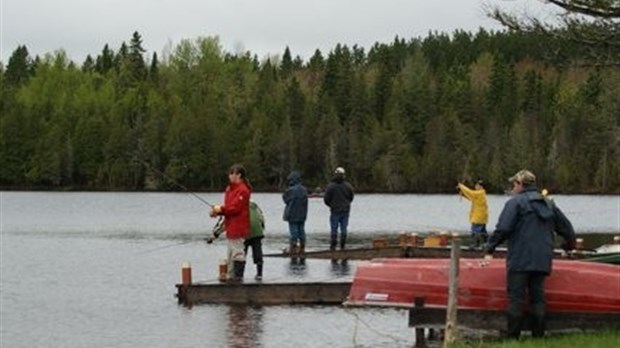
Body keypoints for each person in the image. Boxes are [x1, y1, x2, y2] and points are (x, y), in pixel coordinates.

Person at [484, 169, 576, 339]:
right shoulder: (549, 203)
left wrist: (490, 248)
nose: (512, 187)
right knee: (538, 298)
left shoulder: (515, 203)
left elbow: (503, 228)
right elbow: (568, 229)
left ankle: (513, 339)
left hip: (520, 259)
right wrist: (568, 246)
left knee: (516, 299)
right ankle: (538, 337)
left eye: (514, 184)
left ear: (520, 184)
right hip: (542, 260)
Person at [210, 164, 252, 282]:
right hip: (230, 225)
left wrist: (219, 209)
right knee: (230, 253)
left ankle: (238, 278)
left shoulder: (243, 190)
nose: (229, 176)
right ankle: (231, 276)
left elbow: (235, 208)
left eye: (231, 173)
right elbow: (229, 208)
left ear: (238, 175)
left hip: (239, 226)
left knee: (238, 252)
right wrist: (217, 212)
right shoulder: (229, 189)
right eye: (229, 173)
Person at [324, 167, 354, 250]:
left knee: (334, 228)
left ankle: (333, 244)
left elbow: (326, 199)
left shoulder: (330, 186)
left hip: (335, 210)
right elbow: (351, 197)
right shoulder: (348, 186)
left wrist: (331, 205)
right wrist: (346, 204)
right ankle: (342, 245)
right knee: (344, 228)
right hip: (345, 210)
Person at [457, 180, 489, 249]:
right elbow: (471, 197)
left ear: (481, 187)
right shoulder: (480, 194)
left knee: (475, 231)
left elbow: (471, 193)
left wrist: (461, 186)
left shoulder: (480, 193)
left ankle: (475, 245)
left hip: (478, 217)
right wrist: (463, 194)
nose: (476, 186)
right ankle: (485, 244)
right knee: (482, 231)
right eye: (476, 185)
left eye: (478, 185)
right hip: (482, 217)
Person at [282, 171, 309, 255]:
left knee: (294, 231)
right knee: (301, 230)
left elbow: (285, 199)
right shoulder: (304, 190)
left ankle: (293, 247)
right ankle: (302, 247)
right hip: (302, 214)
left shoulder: (290, 190)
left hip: (292, 214)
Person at [244, 201, 265, 280]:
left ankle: (239, 275)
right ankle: (259, 274)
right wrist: (262, 230)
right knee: (258, 252)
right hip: (257, 232)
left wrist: (215, 234)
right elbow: (261, 218)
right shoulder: (254, 204)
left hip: (244, 232)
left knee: (241, 254)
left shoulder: (236, 204)